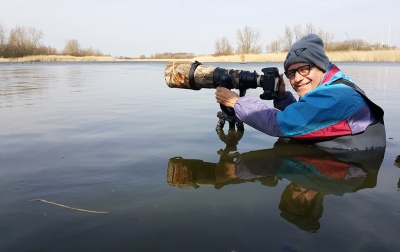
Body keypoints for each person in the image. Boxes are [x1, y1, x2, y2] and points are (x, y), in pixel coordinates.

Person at [215, 33, 386, 150]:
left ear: (321, 66)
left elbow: (282, 124)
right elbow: (308, 120)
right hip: (348, 165)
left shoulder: (338, 96)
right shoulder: (337, 86)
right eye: (291, 73)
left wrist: (236, 102)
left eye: (304, 68)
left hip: (352, 168)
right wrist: (282, 97)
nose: (296, 79)